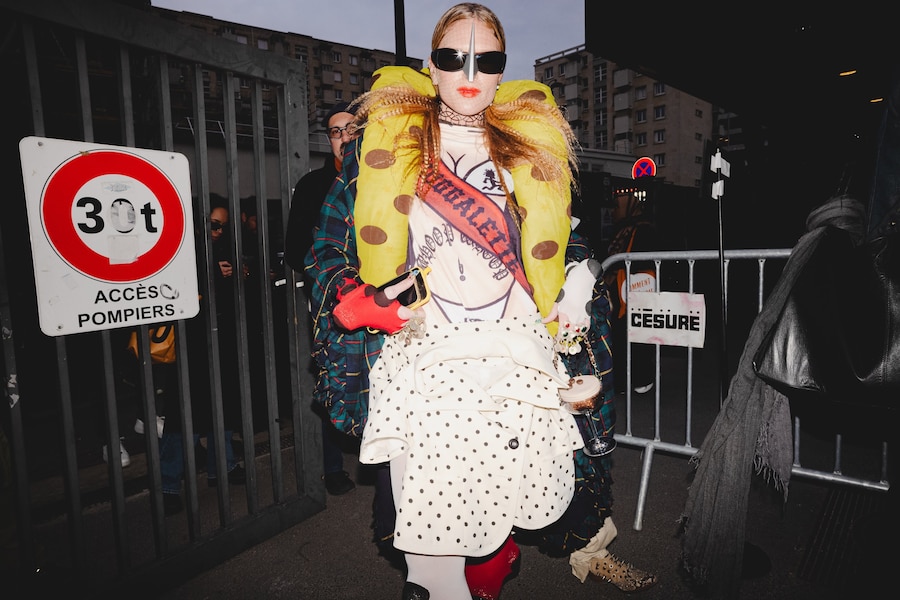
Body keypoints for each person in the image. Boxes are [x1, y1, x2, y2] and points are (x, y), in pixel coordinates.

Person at [305, 5, 600, 598]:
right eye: (452, 57)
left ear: (501, 72)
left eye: (486, 60)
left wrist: (580, 284)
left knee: (499, 515)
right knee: (430, 546)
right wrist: (354, 298)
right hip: (426, 361)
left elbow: (573, 243)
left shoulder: (528, 147)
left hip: (515, 357)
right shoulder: (380, 144)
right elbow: (327, 248)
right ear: (430, 67)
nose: (469, 70)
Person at [284, 102, 360, 496]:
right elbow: (295, 251)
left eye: (351, 128)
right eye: (336, 131)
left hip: (382, 303)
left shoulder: (380, 179)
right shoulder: (313, 185)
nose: (344, 136)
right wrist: (333, 271)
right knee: (334, 377)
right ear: (328, 139)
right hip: (332, 304)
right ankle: (332, 468)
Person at [160, 201, 245, 515]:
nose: (218, 231)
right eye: (213, 224)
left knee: (218, 404)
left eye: (222, 226)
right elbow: (171, 288)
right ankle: (168, 483)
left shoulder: (221, 249)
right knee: (183, 412)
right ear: (198, 223)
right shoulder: (180, 248)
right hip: (189, 342)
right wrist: (209, 274)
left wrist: (234, 273)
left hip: (217, 339)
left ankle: (222, 467)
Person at [603, 190, 659, 395]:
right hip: (620, 296)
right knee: (620, 337)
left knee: (637, 338)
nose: (614, 211)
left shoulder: (643, 230)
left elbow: (641, 264)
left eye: (618, 207)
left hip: (635, 296)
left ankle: (640, 380)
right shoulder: (622, 229)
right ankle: (623, 381)